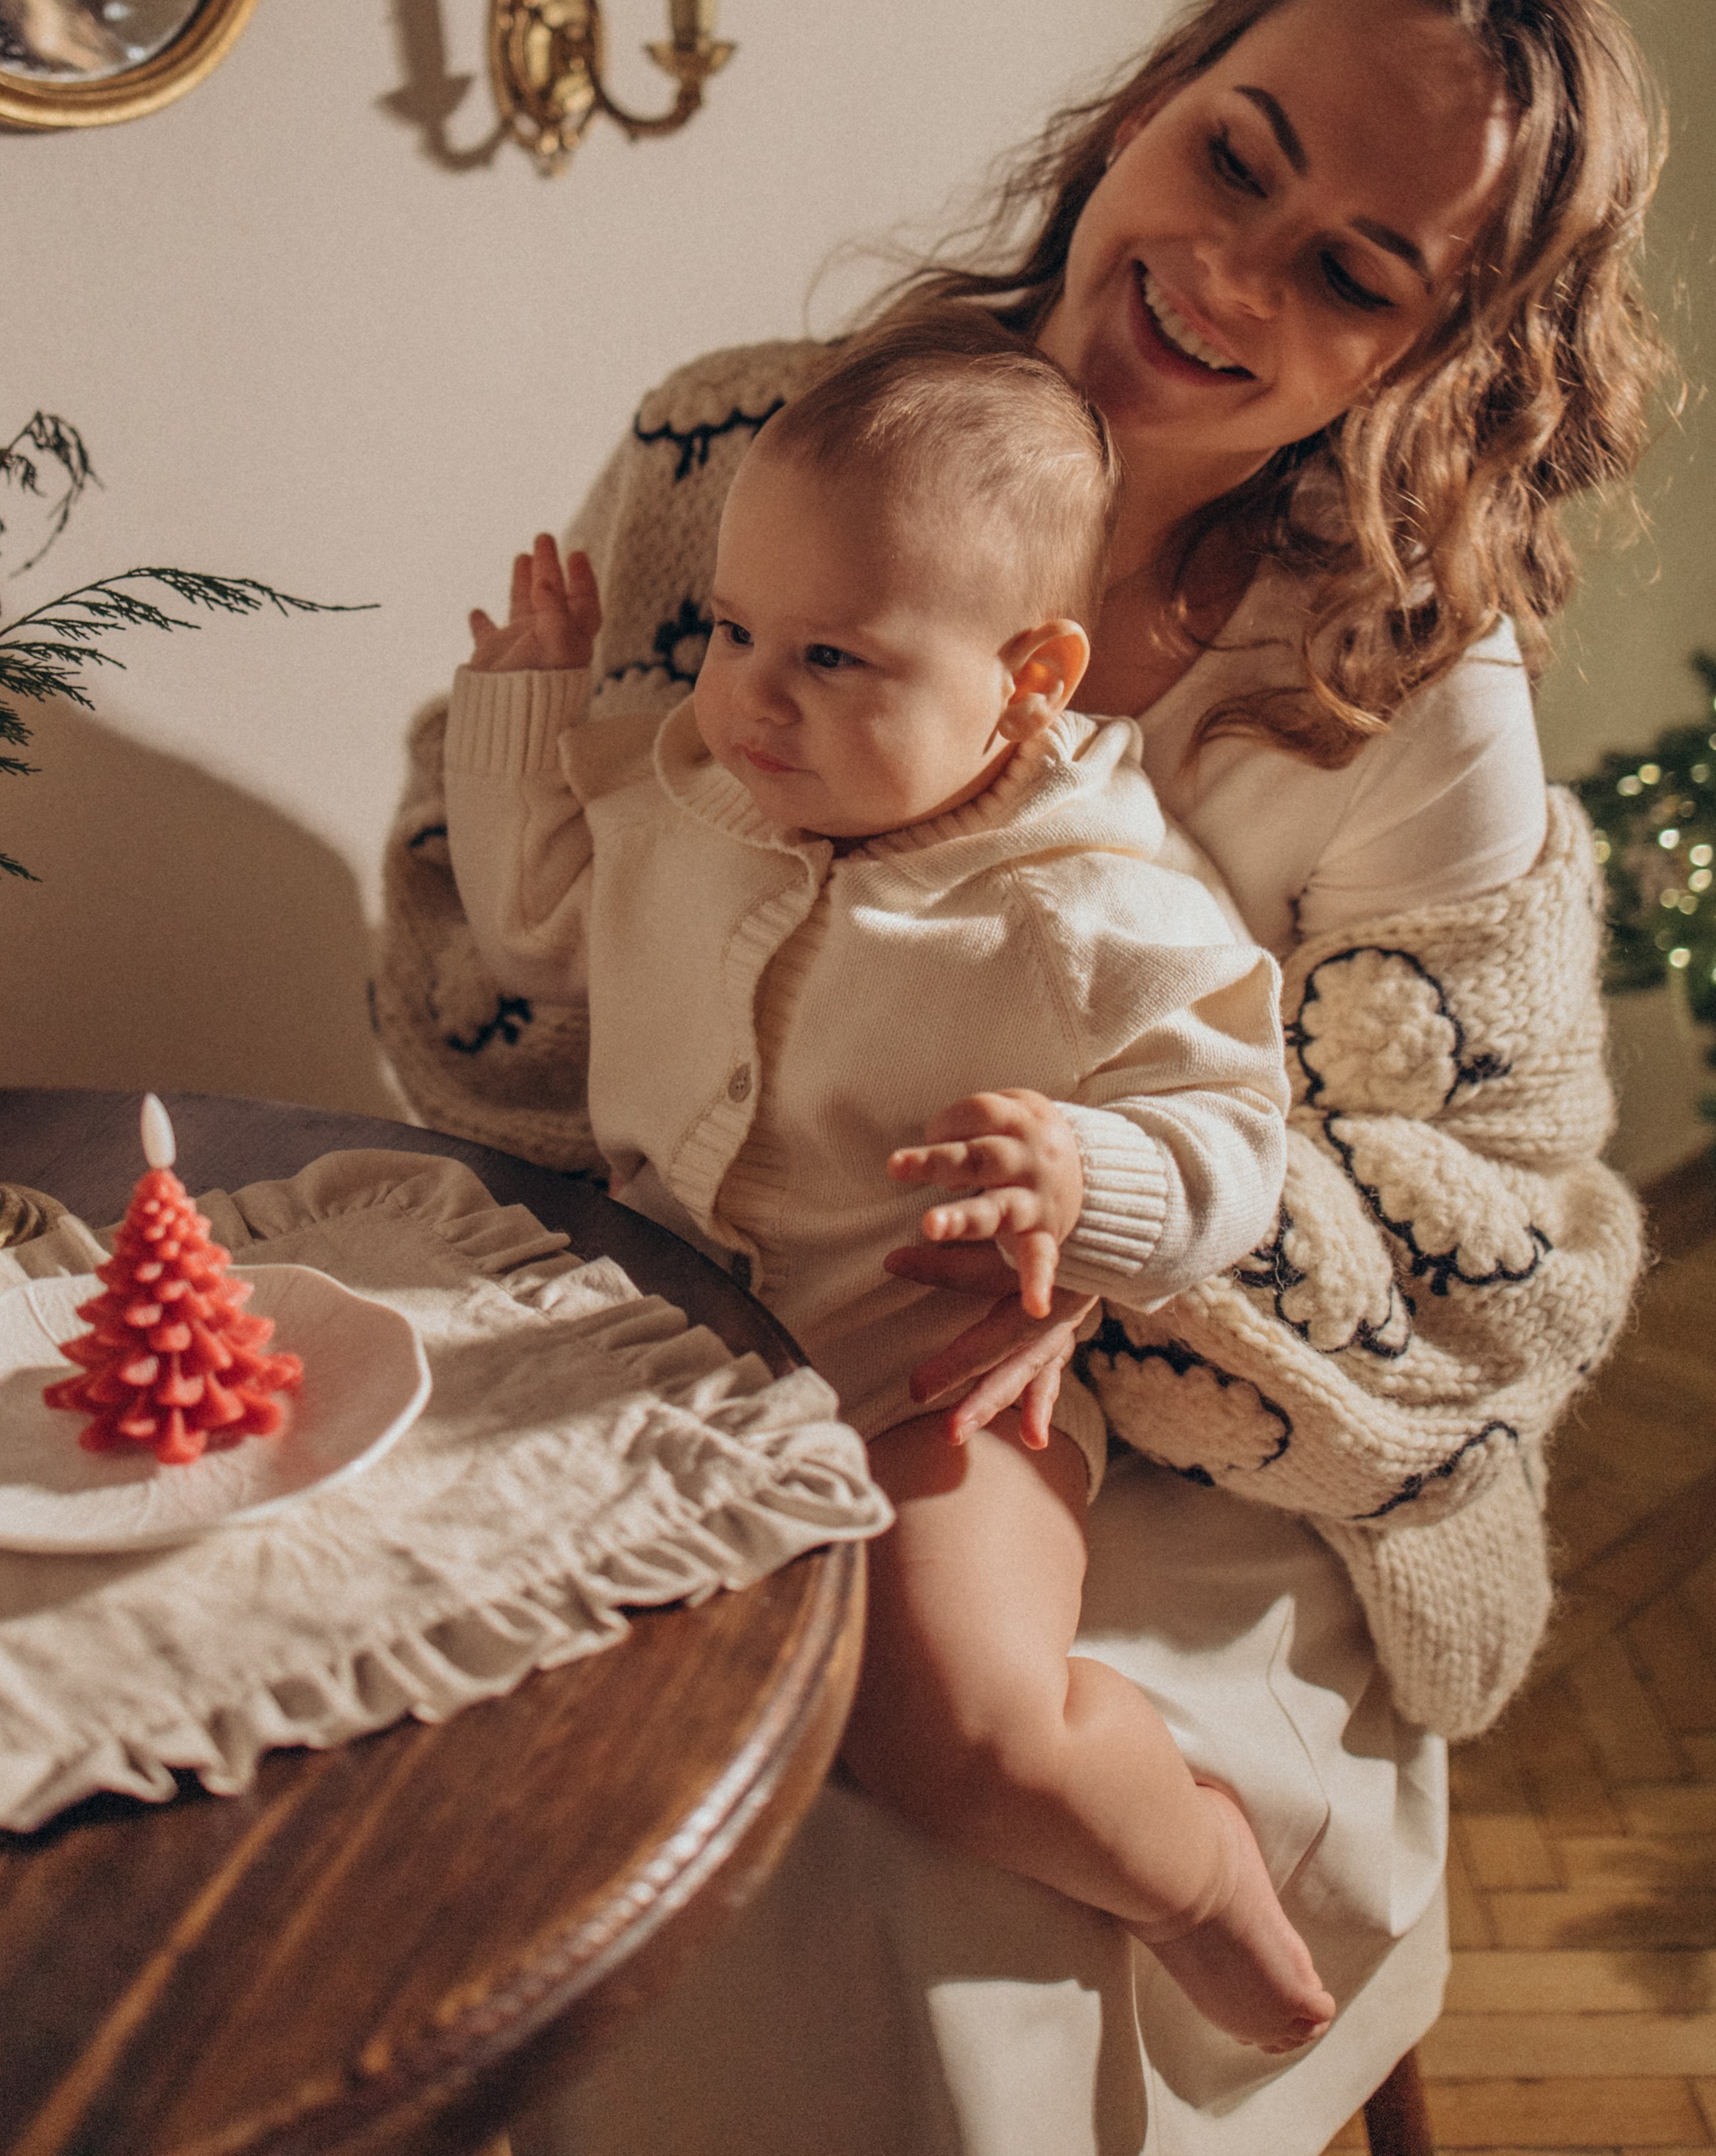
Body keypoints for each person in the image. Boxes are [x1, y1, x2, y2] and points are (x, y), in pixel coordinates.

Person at [377, 0, 1666, 2149]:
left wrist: (1102, 1249)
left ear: (1435, 357)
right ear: (1148, 108)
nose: (1234, 272)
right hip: (707, 1306)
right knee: (456, 1711)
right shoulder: (742, 463)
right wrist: (526, 773)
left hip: (1166, 1435)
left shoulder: (1395, 677)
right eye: (1237, 156)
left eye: (1360, 272)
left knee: (841, 1878)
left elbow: (1489, 1240)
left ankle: (1217, 1921)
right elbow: (516, 975)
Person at [445, 321, 1331, 2051]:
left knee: (951, 1719)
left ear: (1031, 676)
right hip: (664, 1350)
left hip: (918, 1380)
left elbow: (1240, 1133)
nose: (751, 694)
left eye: (835, 656)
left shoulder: (1088, 907)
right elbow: (529, 925)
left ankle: (1195, 1871)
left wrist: (1092, 1180)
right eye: (729, 630)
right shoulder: (694, 800)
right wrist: (522, 707)